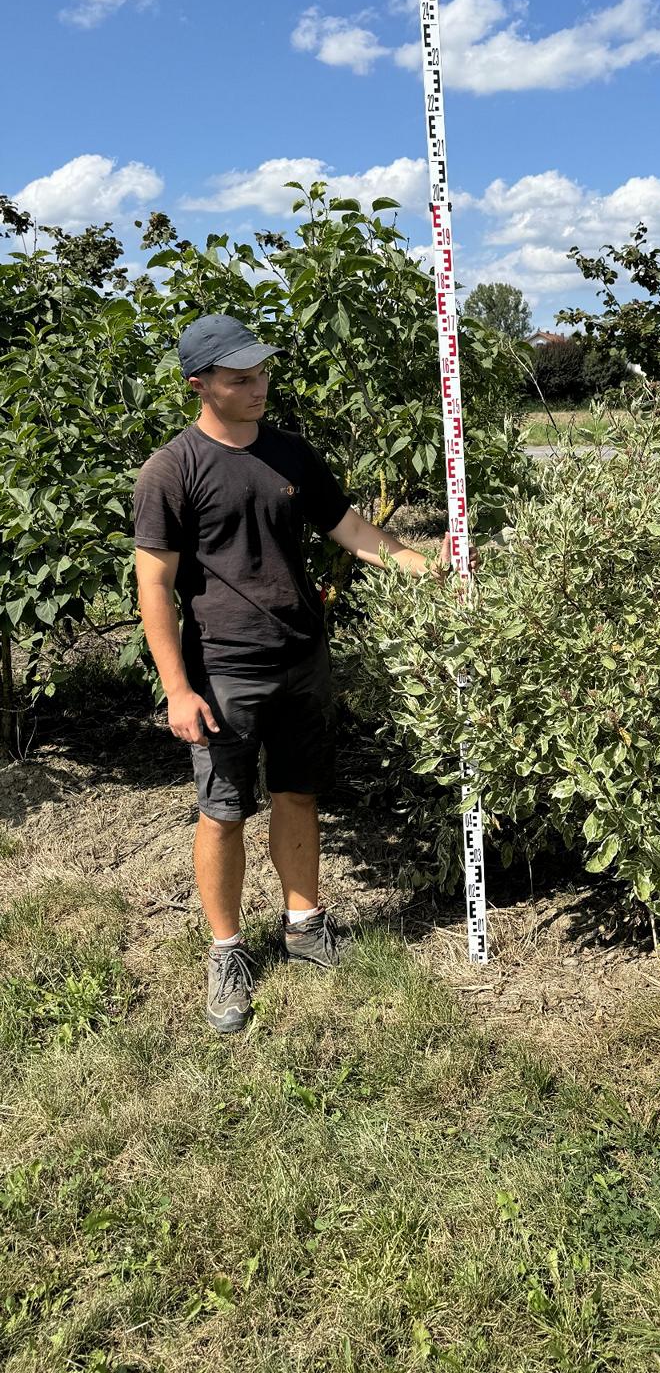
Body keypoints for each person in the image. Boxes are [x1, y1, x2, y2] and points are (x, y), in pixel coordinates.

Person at [133, 313, 455, 1034]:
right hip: (223, 670)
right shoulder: (172, 470)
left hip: (303, 658)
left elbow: (355, 532)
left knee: (298, 794)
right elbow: (153, 586)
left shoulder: (290, 455)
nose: (259, 388)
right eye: (240, 379)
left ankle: (303, 925)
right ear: (200, 386)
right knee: (222, 813)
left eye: (262, 373)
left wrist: (426, 569)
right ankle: (226, 953)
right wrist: (177, 688)